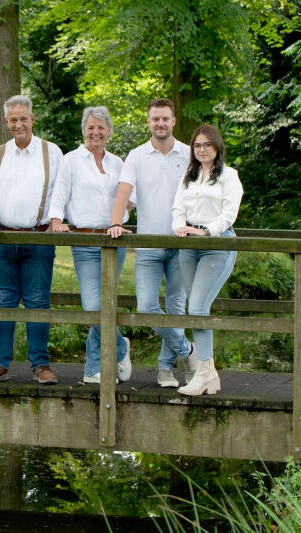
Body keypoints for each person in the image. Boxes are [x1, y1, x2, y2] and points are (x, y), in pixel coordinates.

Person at [107, 98, 195, 388]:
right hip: (148, 245)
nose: (160, 124)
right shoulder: (136, 156)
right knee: (146, 307)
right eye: (155, 119)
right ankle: (189, 352)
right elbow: (123, 193)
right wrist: (116, 222)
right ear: (149, 122)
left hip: (181, 245)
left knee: (175, 308)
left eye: (165, 119)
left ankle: (165, 369)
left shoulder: (189, 153)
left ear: (173, 121)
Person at [0, 95, 64, 384]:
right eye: (13, 119)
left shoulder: (52, 152)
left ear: (32, 119)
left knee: (38, 301)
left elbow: (59, 194)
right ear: (5, 122)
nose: (18, 124)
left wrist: (55, 220)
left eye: (23, 118)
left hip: (39, 237)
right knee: (2, 300)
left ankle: (40, 365)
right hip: (3, 238)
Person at [49, 106, 133, 384]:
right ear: (83, 130)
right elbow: (59, 192)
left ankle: (95, 368)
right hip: (85, 240)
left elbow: (129, 196)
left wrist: (124, 216)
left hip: (114, 241)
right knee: (91, 306)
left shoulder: (118, 163)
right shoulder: (70, 160)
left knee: (106, 303)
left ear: (109, 131)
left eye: (101, 127)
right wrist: (57, 220)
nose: (95, 132)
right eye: (91, 127)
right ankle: (121, 348)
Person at [172, 125, 242, 395]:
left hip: (217, 242)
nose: (202, 149)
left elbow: (229, 213)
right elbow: (177, 208)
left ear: (216, 147)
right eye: (197, 145)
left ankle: (202, 375)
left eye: (207, 145)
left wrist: (206, 231)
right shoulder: (188, 176)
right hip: (188, 246)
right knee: (195, 308)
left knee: (198, 308)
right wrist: (180, 226)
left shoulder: (228, 176)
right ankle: (210, 375)